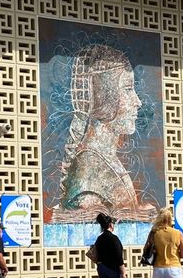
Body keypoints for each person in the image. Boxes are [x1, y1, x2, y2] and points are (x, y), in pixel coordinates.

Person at [58, 44, 154, 219]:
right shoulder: (88, 167)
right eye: (128, 89)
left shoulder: (106, 159)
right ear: (103, 96)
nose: (137, 101)